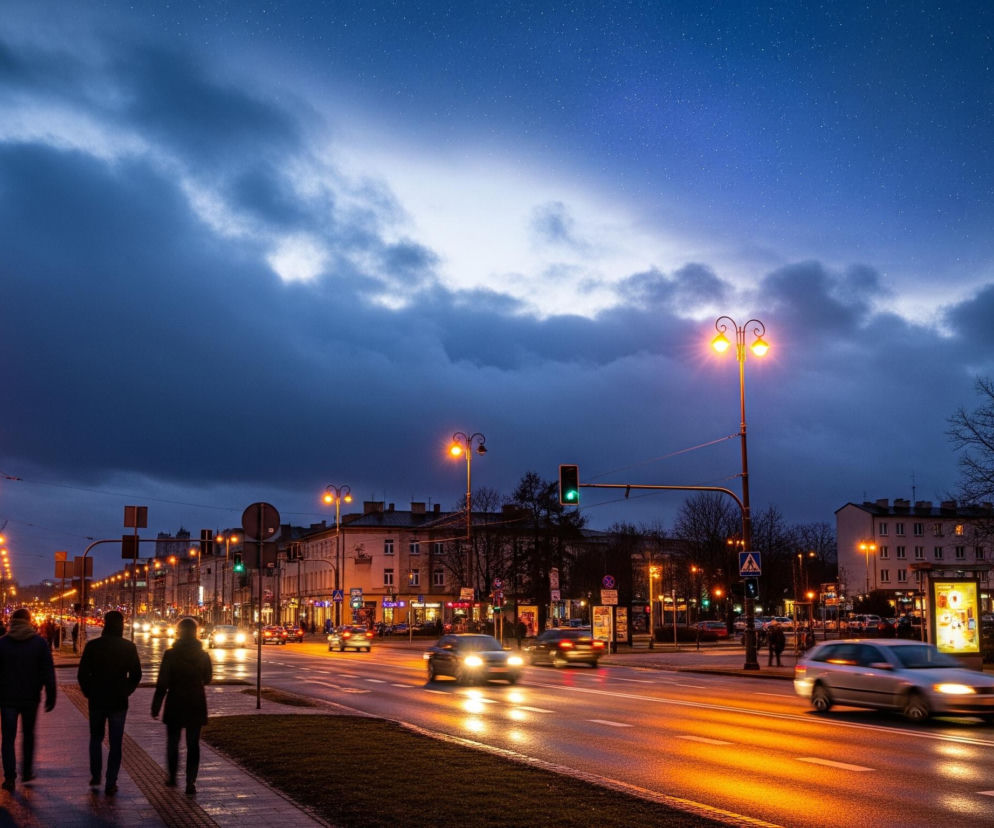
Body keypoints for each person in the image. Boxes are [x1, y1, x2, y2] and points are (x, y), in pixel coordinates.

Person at [77, 610, 142, 795]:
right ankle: (111, 781)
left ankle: (96, 774)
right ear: (121, 625)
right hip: (118, 701)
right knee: (116, 743)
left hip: (97, 700)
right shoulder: (128, 647)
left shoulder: (93, 646)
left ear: (105, 624)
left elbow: (82, 674)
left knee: (95, 739)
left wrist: (89, 692)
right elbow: (136, 675)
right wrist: (126, 690)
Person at [151, 616, 212, 795]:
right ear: (195, 633)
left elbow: (162, 682)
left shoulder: (170, 654)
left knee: (172, 742)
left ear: (179, 633)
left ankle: (171, 776)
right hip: (195, 701)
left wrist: (156, 706)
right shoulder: (203, 654)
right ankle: (190, 782)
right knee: (193, 743)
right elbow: (207, 678)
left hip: (175, 700)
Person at [0, 608, 56, 791]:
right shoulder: (39, 643)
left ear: (12, 622)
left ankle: (9, 777)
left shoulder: (3, 643)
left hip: (7, 698)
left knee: (8, 738)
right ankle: (26, 771)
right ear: (29, 621)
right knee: (28, 735)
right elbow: (48, 671)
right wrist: (51, 694)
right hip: (31, 697)